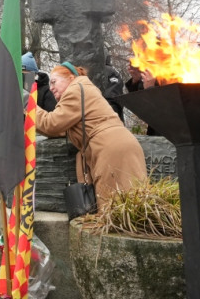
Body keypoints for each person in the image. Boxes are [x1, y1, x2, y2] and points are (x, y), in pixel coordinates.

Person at [35, 62, 148, 204]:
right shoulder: (84, 89)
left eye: (54, 82)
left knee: (114, 209)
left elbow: (51, 124)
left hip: (112, 151)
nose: (51, 88)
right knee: (130, 208)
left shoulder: (76, 90)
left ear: (70, 78)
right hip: (118, 147)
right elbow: (62, 129)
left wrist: (29, 104)